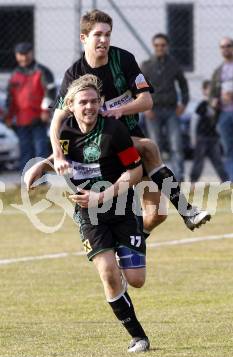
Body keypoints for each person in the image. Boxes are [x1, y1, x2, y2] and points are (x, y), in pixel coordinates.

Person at [26, 10, 211, 233]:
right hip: (97, 143)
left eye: (107, 34)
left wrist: (120, 109)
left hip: (128, 134)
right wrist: (56, 154)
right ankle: (187, 210)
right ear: (84, 38)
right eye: (97, 35)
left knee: (157, 214)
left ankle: (131, 247)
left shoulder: (123, 60)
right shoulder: (74, 74)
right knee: (149, 147)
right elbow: (57, 117)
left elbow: (146, 101)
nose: (104, 40)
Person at [25, 74, 150, 352]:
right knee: (108, 273)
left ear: (100, 102)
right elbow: (60, 157)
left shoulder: (113, 131)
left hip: (121, 206)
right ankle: (138, 337)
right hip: (88, 212)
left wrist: (102, 195)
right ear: (71, 105)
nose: (90, 107)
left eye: (94, 101)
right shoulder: (66, 132)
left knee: (137, 280)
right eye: (83, 102)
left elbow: (136, 171)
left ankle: (125, 262)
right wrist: (41, 166)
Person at [141, 33, 189, 183]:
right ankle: (158, 177)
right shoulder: (146, 65)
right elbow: (139, 88)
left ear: (167, 46)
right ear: (153, 46)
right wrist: (144, 108)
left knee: (176, 145)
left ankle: (179, 178)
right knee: (155, 146)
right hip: (152, 111)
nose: (160, 48)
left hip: (171, 111)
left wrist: (183, 104)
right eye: (157, 45)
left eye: (162, 45)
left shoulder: (175, 65)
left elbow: (184, 86)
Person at [5, 42, 57, 172]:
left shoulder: (42, 71)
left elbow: (50, 91)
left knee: (40, 151)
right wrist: (9, 116)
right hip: (21, 120)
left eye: (26, 54)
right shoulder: (15, 75)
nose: (23, 58)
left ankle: (41, 181)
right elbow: (10, 98)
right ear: (16, 56)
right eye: (20, 55)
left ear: (32, 53)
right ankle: (26, 182)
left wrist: (46, 111)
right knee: (25, 151)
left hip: (39, 119)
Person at [190, 80, 229, 184]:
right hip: (201, 137)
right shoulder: (202, 104)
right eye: (209, 89)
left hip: (213, 138)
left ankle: (226, 181)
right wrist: (193, 138)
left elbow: (219, 119)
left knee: (218, 162)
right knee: (199, 162)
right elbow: (196, 118)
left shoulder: (218, 105)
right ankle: (193, 182)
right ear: (204, 91)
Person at [210, 37, 233, 182]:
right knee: (228, 150)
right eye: (222, 46)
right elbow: (212, 93)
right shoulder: (218, 71)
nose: (225, 49)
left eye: (228, 46)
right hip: (224, 114)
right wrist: (214, 100)